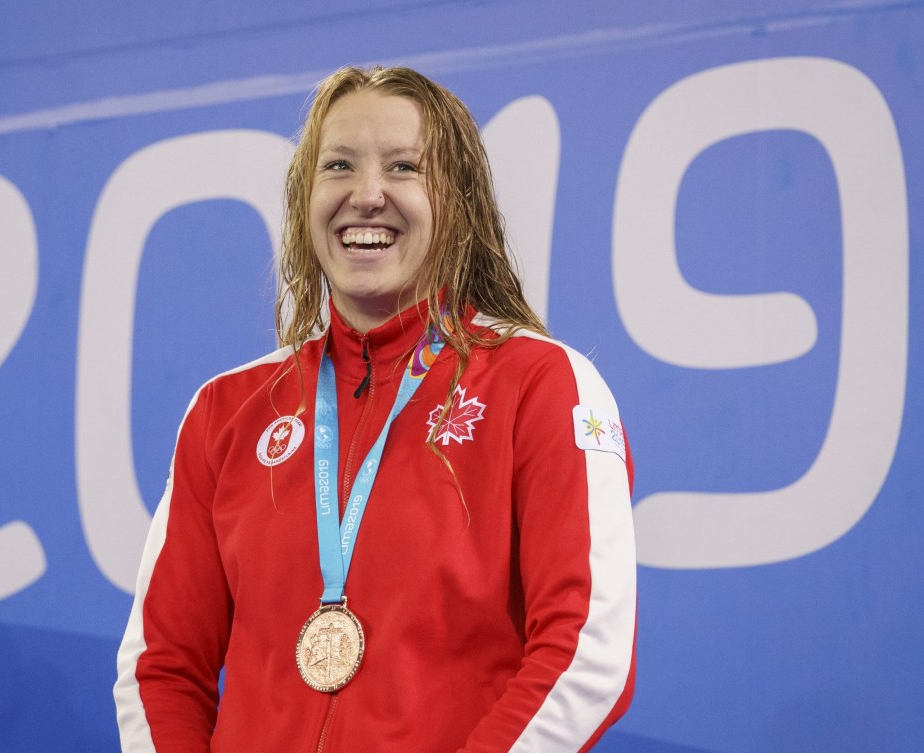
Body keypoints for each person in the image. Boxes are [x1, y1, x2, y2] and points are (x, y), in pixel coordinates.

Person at [114, 65, 636, 753]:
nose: (366, 195)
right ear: (305, 197)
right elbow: (161, 666)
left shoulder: (541, 383)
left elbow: (585, 649)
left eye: (403, 167)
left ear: (460, 201)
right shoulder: (227, 411)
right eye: (338, 165)